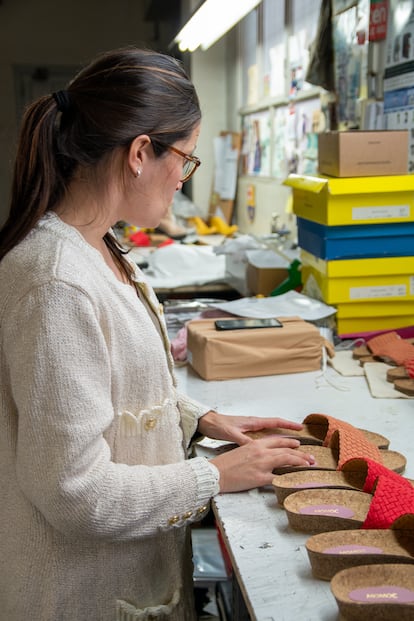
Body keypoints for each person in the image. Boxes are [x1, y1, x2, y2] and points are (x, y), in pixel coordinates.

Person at [0, 46, 315, 621]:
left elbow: (112, 384)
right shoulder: (56, 281)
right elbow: (72, 491)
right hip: (76, 595)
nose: (183, 181)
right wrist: (213, 475)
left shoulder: (100, 244)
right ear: (141, 153)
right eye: (187, 160)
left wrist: (197, 418)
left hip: (123, 577)